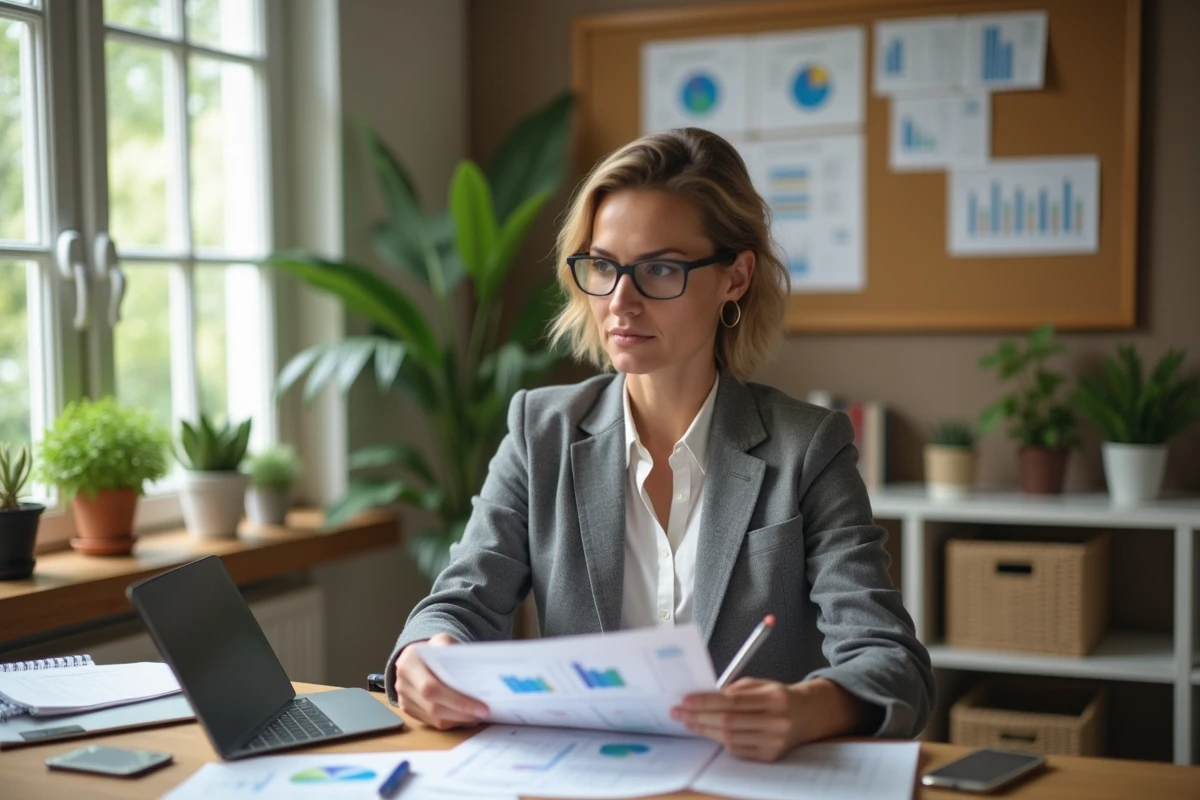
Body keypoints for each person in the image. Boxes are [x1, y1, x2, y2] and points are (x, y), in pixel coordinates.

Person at [385, 127, 934, 762]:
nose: (621, 301)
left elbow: (890, 659)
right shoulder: (541, 432)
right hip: (587, 779)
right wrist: (427, 655)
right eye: (603, 266)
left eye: (660, 269)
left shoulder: (806, 448)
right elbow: (458, 604)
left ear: (735, 277)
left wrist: (813, 706)